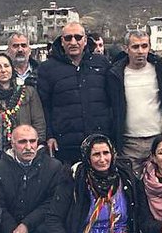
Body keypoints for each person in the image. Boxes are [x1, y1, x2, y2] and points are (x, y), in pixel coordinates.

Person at [36, 21, 113, 165]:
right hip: (65, 144)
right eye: (68, 38)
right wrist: (49, 136)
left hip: (99, 143)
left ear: (85, 40)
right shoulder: (47, 69)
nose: (73, 42)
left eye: (78, 37)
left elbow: (112, 101)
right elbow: (44, 106)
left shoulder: (102, 64)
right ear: (61, 41)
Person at [107, 31, 162, 169]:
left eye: (144, 46)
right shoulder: (115, 75)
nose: (140, 51)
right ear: (126, 49)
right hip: (129, 143)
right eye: (135, 47)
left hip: (158, 139)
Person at [0, 53, 46, 161]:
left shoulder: (27, 92)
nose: (3, 70)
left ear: (12, 68)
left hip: (25, 150)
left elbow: (39, 122)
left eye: (6, 66)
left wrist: (38, 145)